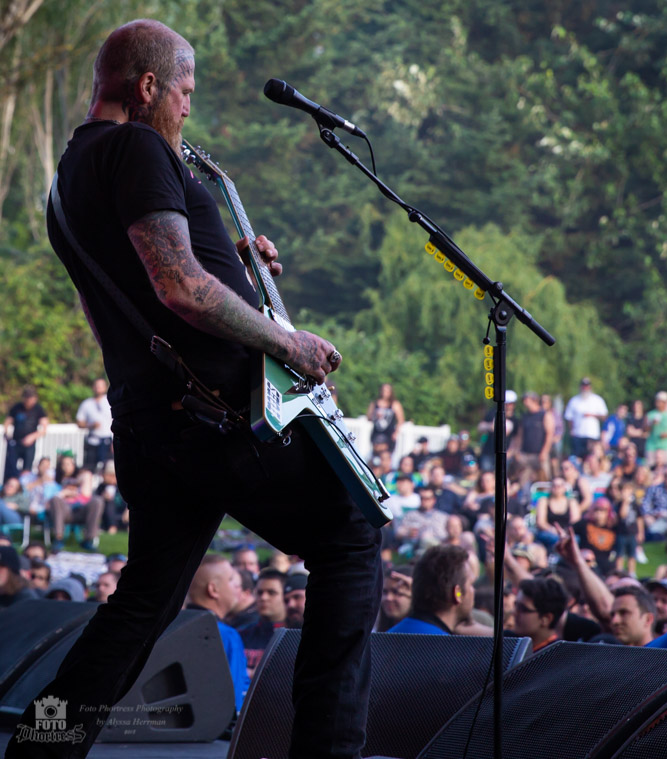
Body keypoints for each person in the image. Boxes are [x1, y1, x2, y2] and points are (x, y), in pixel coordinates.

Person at [14, 21, 383, 759]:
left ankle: (37, 747)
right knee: (352, 536)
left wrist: (232, 259)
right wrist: (288, 341)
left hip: (150, 423)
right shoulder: (138, 146)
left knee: (140, 607)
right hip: (211, 418)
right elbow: (178, 285)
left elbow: (143, 279)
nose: (186, 108)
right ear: (148, 86)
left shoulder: (68, 178)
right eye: (184, 91)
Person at [186, 555, 250, 713]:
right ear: (213, 589)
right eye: (230, 580)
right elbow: (233, 706)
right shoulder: (226, 636)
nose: (237, 585)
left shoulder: (173, 628)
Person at [387, 544, 475, 635]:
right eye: (471, 584)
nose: (473, 591)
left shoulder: (383, 640)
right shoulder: (452, 647)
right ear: (457, 593)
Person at [511, 576, 569, 654]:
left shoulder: (559, 657)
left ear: (546, 619)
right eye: (516, 605)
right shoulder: (511, 644)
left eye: (522, 609)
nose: (514, 613)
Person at [3, 386, 48, 482]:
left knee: (27, 469)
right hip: (16, 443)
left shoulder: (38, 409)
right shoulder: (17, 407)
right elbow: (7, 422)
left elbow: (44, 429)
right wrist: (7, 434)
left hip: (29, 445)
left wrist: (32, 437)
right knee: (11, 467)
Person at [564, 378, 608, 459]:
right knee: (577, 458)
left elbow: (604, 416)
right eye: (583, 386)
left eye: (587, 386)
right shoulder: (574, 401)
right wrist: (572, 430)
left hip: (592, 435)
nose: (585, 388)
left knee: (591, 458)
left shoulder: (597, 400)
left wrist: (592, 415)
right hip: (578, 435)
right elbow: (569, 418)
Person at [76, 378, 114, 473]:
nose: (98, 388)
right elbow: (79, 422)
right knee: (89, 468)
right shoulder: (87, 404)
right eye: (96, 386)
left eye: (101, 386)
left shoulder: (110, 401)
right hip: (93, 440)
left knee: (107, 468)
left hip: (107, 441)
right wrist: (90, 425)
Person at [367, 383, 405, 457]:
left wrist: (396, 433)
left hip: (389, 434)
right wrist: (375, 415)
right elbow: (369, 417)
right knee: (375, 456)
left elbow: (401, 420)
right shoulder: (375, 403)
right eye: (384, 390)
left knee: (386, 456)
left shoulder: (395, 404)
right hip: (377, 433)